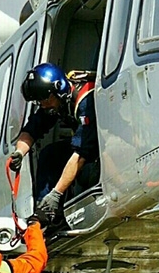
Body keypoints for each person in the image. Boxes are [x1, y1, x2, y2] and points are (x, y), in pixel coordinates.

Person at [9, 63, 99, 225]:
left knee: (81, 166)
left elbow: (81, 154)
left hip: (102, 152)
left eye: (45, 100)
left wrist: (56, 194)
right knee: (50, 154)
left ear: (59, 89)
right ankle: (45, 211)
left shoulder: (86, 101)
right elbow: (32, 130)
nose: (43, 105)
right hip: (89, 150)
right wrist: (19, 153)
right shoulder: (56, 101)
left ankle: (52, 207)